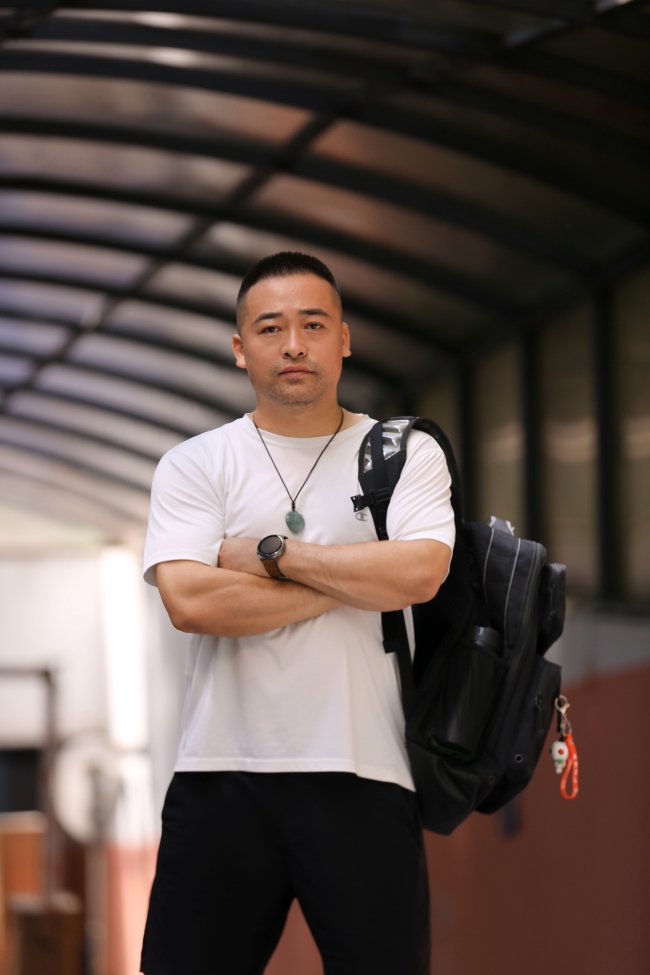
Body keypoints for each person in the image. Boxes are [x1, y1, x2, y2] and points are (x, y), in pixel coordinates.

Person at [140, 252, 455, 975]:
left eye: (313, 324)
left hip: (365, 769)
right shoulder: (195, 463)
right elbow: (190, 601)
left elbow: (419, 572)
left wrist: (272, 555)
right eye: (270, 327)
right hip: (220, 773)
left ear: (343, 338)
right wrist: (360, 577)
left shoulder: (404, 453)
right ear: (239, 347)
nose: (293, 344)